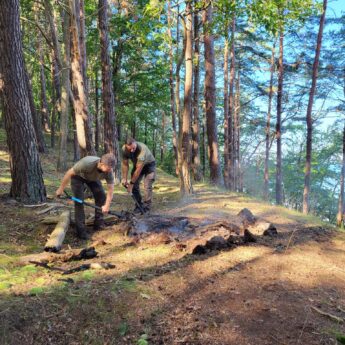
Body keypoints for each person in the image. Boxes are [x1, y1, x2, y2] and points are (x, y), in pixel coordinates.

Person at [56, 154, 115, 239]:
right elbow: (69, 173)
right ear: (102, 164)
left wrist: (107, 205)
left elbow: (110, 190)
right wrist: (61, 189)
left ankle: (99, 224)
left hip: (93, 179)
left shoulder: (109, 171)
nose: (110, 170)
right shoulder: (87, 163)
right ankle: (81, 231)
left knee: (101, 197)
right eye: (108, 168)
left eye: (111, 168)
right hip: (78, 177)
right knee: (79, 202)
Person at [121, 138, 156, 213]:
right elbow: (125, 164)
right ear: (126, 146)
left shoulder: (142, 151)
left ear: (135, 143)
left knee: (147, 185)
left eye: (133, 148)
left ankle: (147, 207)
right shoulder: (124, 149)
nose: (131, 151)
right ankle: (138, 205)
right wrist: (124, 178)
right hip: (137, 165)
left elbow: (137, 171)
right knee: (134, 186)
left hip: (149, 165)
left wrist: (131, 184)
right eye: (129, 149)